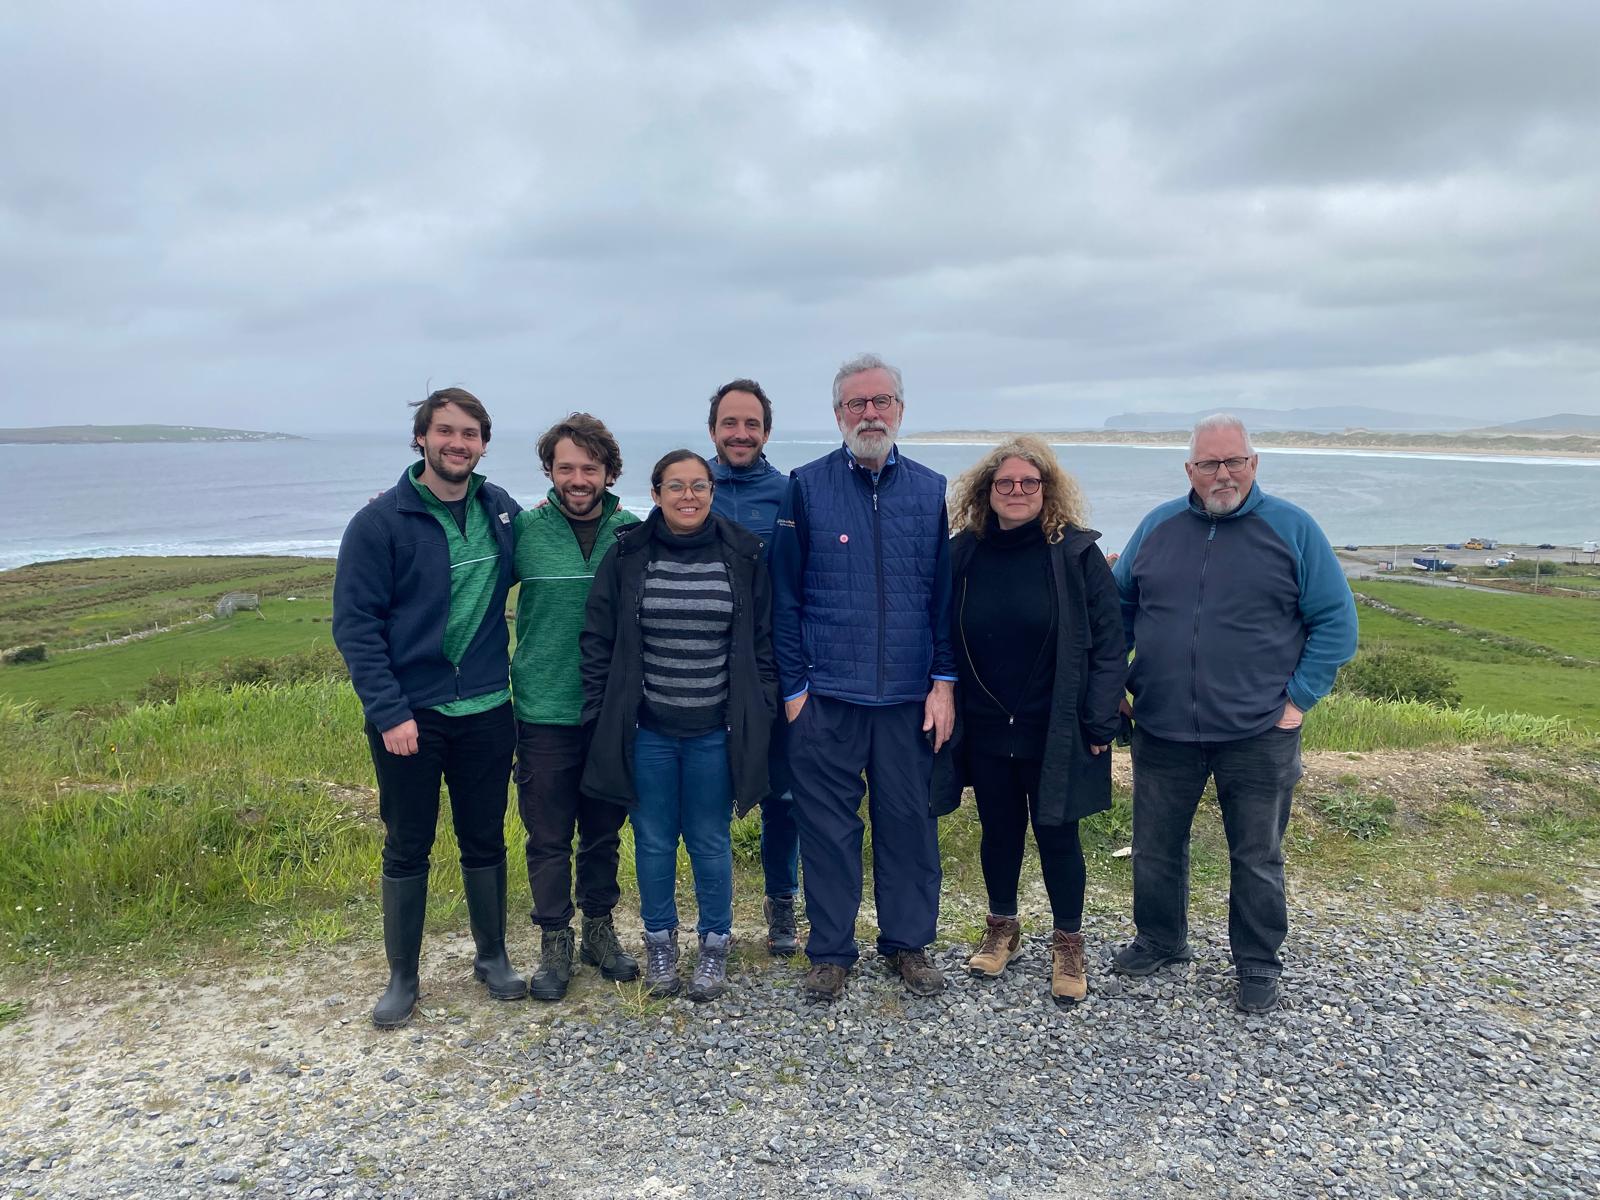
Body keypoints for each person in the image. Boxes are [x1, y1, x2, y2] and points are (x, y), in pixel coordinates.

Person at [1111, 414, 1357, 1013]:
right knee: (1155, 846)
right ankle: (1161, 940)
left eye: (1234, 461)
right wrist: (1111, 680)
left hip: (1259, 730)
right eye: (1209, 463)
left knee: (1256, 855)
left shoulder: (1293, 529)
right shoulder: (1157, 526)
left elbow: (1336, 622)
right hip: (1163, 724)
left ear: (1254, 464)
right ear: (1189, 470)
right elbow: (1116, 607)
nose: (1223, 474)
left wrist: (1298, 700)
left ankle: (1257, 963)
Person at [333, 388, 525, 1029]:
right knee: (408, 842)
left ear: (484, 444)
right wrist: (389, 712)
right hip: (411, 714)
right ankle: (403, 977)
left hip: (489, 708)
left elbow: (549, 543)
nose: (457, 443)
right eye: (445, 431)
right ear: (421, 438)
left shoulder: (501, 510)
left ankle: (492, 957)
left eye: (470, 433)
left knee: (485, 836)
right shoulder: (378, 523)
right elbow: (356, 626)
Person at [770, 352, 956, 1003]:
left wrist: (943, 682)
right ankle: (830, 953)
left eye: (881, 402)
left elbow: (941, 598)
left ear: (900, 410)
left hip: (908, 698)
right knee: (827, 834)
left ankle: (908, 945)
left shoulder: (931, 489)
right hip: (825, 699)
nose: (870, 414)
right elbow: (784, 597)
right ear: (838, 414)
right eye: (857, 403)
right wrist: (795, 693)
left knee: (909, 828)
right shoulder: (806, 486)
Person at [579, 450, 778, 1002]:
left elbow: (762, 642)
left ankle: (714, 944)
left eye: (698, 486)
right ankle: (660, 943)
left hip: (716, 731)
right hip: (648, 732)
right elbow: (597, 638)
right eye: (675, 486)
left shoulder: (743, 554)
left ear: (712, 492)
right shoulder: (628, 554)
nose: (687, 496)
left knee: (710, 840)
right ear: (656, 494)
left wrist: (761, 706)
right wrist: (599, 712)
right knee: (654, 841)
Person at [934, 437, 1126, 1003]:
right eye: (1005, 482)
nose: (1016, 491)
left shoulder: (1076, 555)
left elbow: (1110, 644)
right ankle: (1003, 929)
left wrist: (1099, 721)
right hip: (986, 723)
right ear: (986, 491)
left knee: (1058, 834)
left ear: (1047, 489)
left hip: (1057, 725)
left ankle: (1068, 943)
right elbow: (937, 630)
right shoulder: (962, 554)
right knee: (998, 831)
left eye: (1029, 482)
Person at [510, 414, 639, 1001]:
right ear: (549, 471)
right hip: (542, 707)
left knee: (603, 832)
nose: (578, 479)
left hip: (611, 711)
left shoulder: (633, 533)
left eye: (590, 467)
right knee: (547, 835)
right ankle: (554, 939)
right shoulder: (523, 530)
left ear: (609, 472)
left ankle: (599, 930)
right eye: (566, 468)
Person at [706, 377, 802, 958]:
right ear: (712, 429)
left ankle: (782, 903)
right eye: (730, 423)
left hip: (775, 668)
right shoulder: (692, 487)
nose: (740, 434)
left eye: (752, 424)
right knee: (708, 799)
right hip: (702, 672)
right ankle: (711, 921)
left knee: (782, 797)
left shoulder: (789, 494)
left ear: (767, 432)